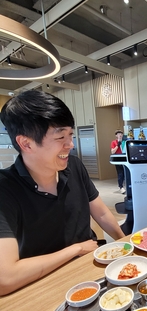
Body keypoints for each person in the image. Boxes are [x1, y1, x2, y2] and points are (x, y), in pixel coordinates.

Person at [0, 90, 125, 296]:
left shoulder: (74, 166)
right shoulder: (5, 189)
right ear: (26, 143)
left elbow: (101, 213)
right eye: (60, 137)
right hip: (42, 284)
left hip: (89, 269)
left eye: (71, 135)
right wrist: (75, 249)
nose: (71, 145)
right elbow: (5, 278)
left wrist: (124, 243)